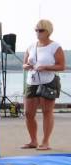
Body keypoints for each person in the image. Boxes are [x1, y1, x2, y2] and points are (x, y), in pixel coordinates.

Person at [22, 19, 65, 150]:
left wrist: (46, 67)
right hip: (32, 82)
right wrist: (27, 66)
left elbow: (61, 66)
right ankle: (33, 141)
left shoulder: (55, 46)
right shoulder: (30, 46)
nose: (38, 33)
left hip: (48, 81)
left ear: (48, 31)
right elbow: (23, 65)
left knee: (47, 112)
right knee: (28, 113)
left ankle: (45, 142)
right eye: (36, 30)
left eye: (41, 30)